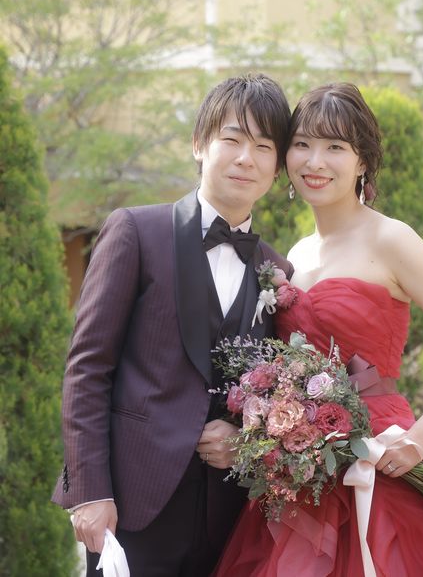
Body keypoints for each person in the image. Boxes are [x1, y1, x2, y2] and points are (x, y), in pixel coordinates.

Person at [213, 83, 423, 576]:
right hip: (309, 473)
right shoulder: (296, 255)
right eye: (303, 144)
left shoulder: (391, 238)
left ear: (362, 161)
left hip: (385, 457)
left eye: (335, 147)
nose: (315, 161)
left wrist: (419, 439)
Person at [52, 74, 293, 577]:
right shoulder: (137, 232)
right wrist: (90, 492)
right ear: (199, 144)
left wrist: (245, 440)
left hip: (231, 520)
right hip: (131, 507)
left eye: (263, 146)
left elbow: (274, 392)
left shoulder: (277, 271)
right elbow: (88, 367)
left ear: (277, 167)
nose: (245, 158)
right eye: (232, 139)